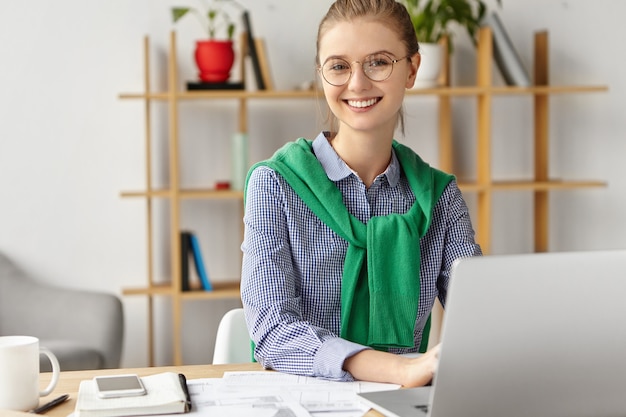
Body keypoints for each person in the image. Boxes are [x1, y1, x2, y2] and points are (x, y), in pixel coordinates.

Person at [240, 0, 481, 387]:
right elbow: (272, 329)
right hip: (303, 401)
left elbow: (481, 320)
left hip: (404, 402)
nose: (357, 83)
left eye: (379, 62)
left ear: (412, 70)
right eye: (339, 66)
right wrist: (398, 369)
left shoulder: (438, 197)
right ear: (321, 75)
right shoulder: (276, 184)